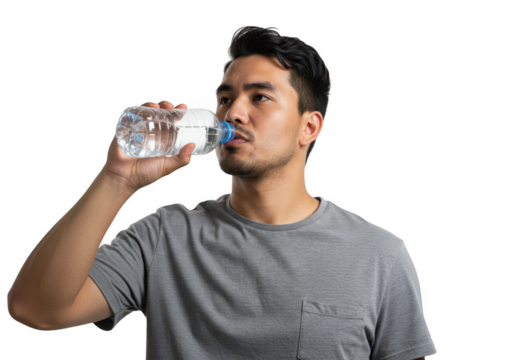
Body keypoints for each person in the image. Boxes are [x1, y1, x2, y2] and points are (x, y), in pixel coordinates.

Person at [7, 25, 436, 359]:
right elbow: (35, 309)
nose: (234, 112)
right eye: (225, 97)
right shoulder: (164, 237)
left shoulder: (379, 255)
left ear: (310, 127)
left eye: (260, 97)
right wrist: (116, 181)